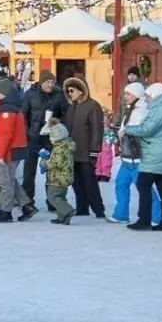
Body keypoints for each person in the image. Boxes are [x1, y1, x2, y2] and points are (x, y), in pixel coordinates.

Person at [120, 81, 162, 231]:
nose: (145, 99)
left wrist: (127, 129)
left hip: (157, 154)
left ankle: (145, 220)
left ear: (154, 95)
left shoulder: (161, 110)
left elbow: (147, 129)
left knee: (143, 184)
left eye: (147, 96)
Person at [113, 82, 161, 225]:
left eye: (128, 94)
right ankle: (121, 214)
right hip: (127, 157)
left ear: (137, 94)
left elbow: (141, 131)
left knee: (144, 188)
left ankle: (157, 216)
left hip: (137, 158)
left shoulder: (142, 110)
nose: (125, 97)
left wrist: (125, 131)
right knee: (121, 184)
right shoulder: (130, 109)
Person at [62, 78, 108, 220]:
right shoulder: (72, 107)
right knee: (76, 181)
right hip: (73, 150)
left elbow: (96, 130)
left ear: (81, 90)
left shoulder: (93, 106)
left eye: (72, 90)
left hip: (87, 150)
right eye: (68, 91)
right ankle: (82, 207)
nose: (70, 94)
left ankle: (98, 208)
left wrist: (94, 150)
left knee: (89, 181)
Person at [0, 78, 33, 222]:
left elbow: (5, 135)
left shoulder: (7, 110)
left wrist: (0, 154)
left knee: (5, 181)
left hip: (9, 151)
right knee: (11, 179)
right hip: (15, 150)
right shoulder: (13, 107)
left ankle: (6, 211)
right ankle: (27, 206)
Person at [21, 72, 68, 205]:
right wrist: (26, 133)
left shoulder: (59, 95)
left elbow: (66, 113)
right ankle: (27, 201)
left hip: (51, 137)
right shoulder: (30, 94)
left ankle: (53, 201)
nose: (51, 85)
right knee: (29, 171)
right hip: (33, 136)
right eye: (48, 82)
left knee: (52, 170)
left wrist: (57, 121)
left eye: (53, 82)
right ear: (41, 82)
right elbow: (23, 115)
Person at [39, 117, 77, 225]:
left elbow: (56, 163)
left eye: (51, 135)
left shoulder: (60, 148)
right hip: (64, 177)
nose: (50, 138)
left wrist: (45, 163)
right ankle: (62, 217)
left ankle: (67, 211)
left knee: (53, 197)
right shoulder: (65, 145)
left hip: (58, 177)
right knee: (61, 197)